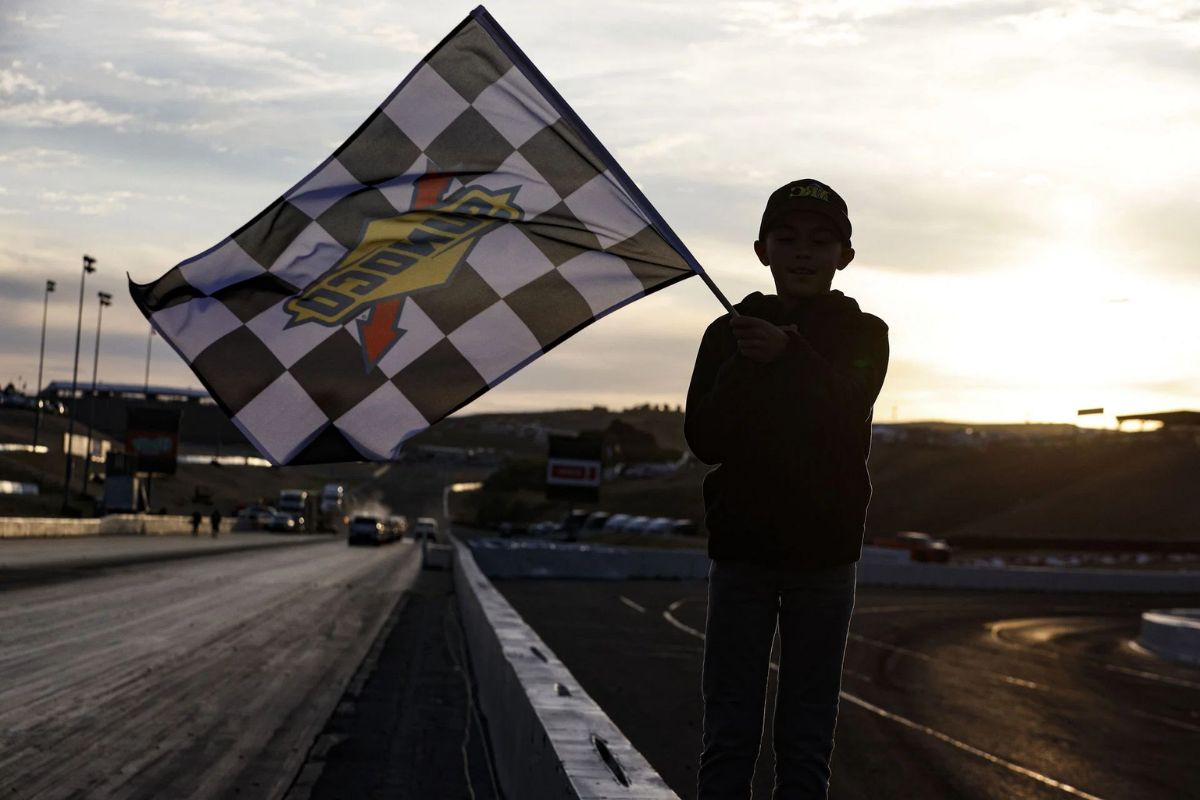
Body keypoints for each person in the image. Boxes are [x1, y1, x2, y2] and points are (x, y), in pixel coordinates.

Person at [685, 179, 889, 799]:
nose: (804, 253)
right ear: (762, 250)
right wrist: (746, 365)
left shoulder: (865, 333)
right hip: (742, 552)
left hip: (825, 558)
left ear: (843, 257)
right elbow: (705, 440)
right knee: (728, 730)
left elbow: (847, 409)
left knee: (806, 738)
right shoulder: (728, 334)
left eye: (821, 241)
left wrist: (787, 356)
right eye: (788, 239)